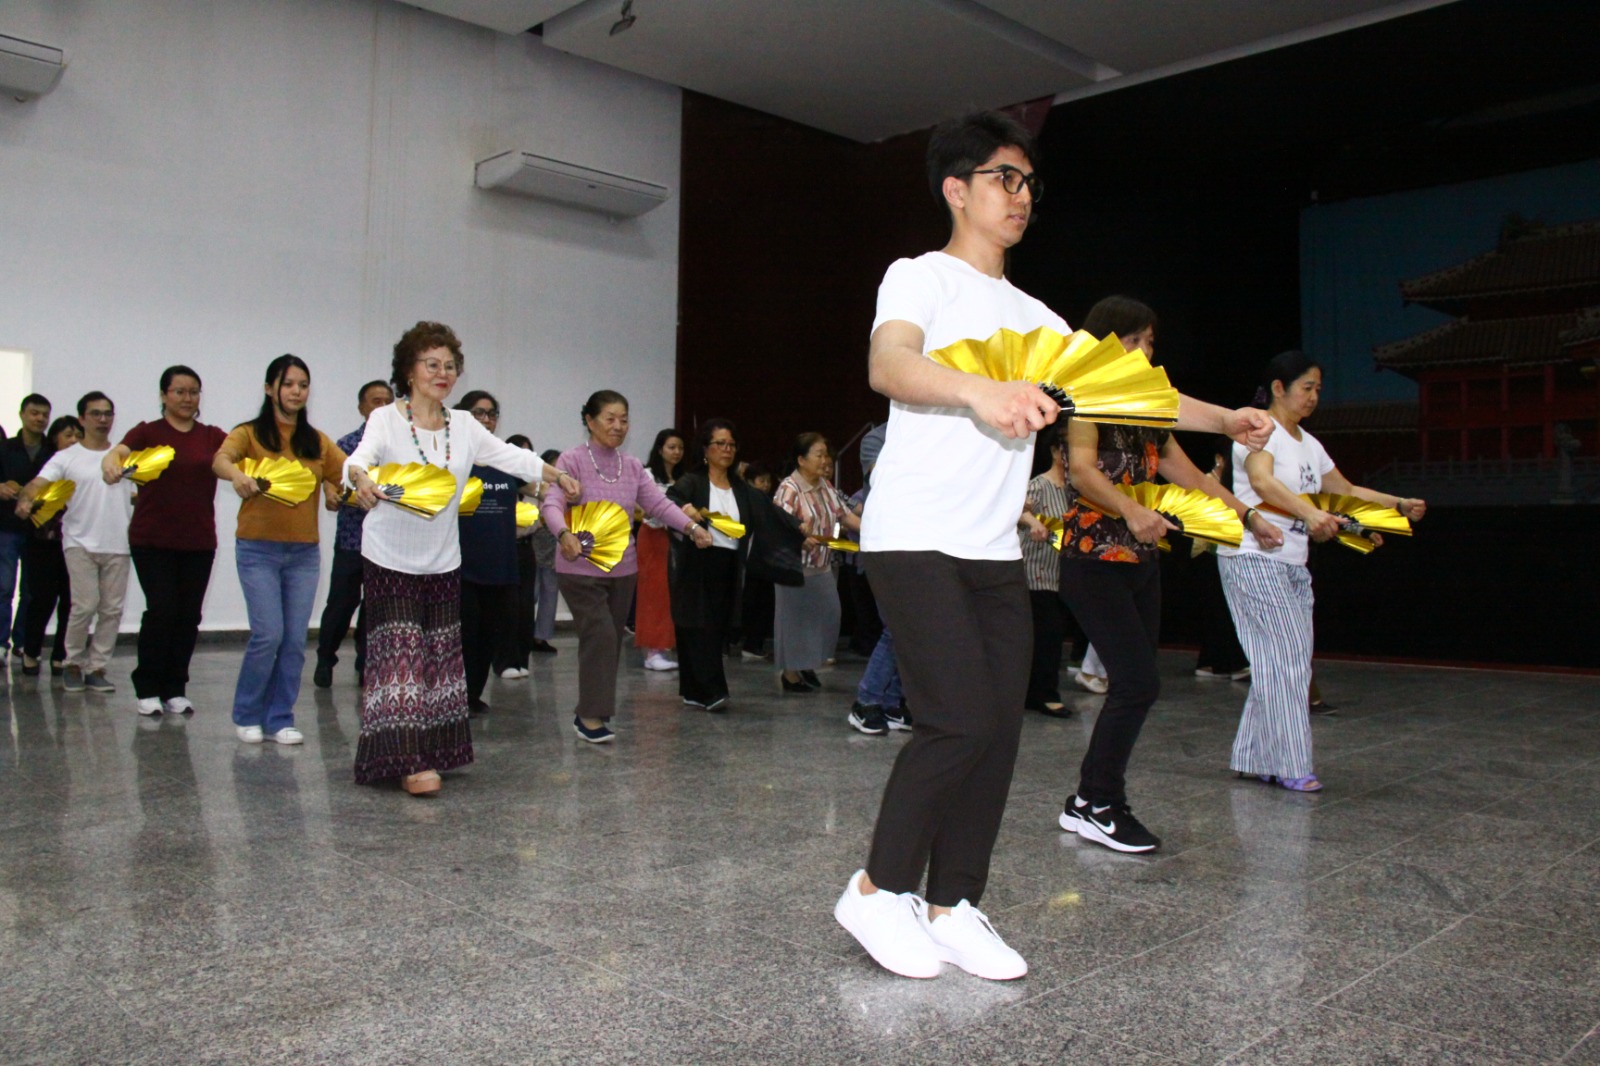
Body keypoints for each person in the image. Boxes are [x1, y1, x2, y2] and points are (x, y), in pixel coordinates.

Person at [834, 115, 1273, 984]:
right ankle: (877, 890)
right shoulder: (919, 277)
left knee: (997, 730)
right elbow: (890, 367)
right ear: (956, 189)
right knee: (956, 718)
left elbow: (1133, 392)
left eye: (1029, 183)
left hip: (992, 552)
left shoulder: (1034, 317)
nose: (1021, 196)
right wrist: (979, 392)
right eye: (1004, 178)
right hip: (914, 536)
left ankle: (952, 904)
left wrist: (1226, 418)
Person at [1057, 296, 1282, 855]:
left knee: (1137, 683)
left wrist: (1247, 515)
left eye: (1152, 342)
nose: (1148, 351)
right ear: (1112, 340)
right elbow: (1082, 470)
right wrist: (1132, 510)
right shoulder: (1085, 395)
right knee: (1137, 683)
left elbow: (1193, 479)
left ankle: (1089, 800)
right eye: (1139, 340)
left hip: (1141, 563)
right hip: (1093, 559)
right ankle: (1099, 802)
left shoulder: (1150, 411)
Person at [345, 322, 572, 793]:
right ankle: (408, 762)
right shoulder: (386, 419)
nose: (442, 373)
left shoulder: (464, 426)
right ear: (409, 371)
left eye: (450, 366)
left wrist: (556, 474)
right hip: (389, 557)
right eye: (432, 364)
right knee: (400, 658)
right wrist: (360, 480)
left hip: (443, 560)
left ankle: (422, 750)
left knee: (437, 659)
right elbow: (358, 461)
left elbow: (511, 458)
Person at [1219, 350, 1426, 791]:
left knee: (1283, 659)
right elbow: (1261, 482)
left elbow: (1345, 490)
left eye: (1318, 390)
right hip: (1253, 555)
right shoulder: (1258, 430)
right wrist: (1309, 515)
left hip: (1293, 560)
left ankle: (1252, 756)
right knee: (1287, 660)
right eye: (1306, 388)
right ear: (1279, 388)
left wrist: (1396, 505)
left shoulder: (1309, 444)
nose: (1314, 397)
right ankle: (1291, 764)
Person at [541, 391, 713, 744]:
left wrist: (693, 528)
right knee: (600, 635)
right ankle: (589, 715)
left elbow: (659, 505)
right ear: (589, 420)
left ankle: (593, 709)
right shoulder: (571, 461)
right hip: (579, 567)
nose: (618, 426)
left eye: (624, 419)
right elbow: (551, 504)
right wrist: (562, 534)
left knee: (610, 640)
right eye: (610, 418)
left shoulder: (632, 466)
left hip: (623, 568)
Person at [213, 355, 347, 745]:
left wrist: (333, 489)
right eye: (288, 384)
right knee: (268, 634)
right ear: (270, 388)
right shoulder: (250, 433)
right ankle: (247, 714)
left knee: (293, 639)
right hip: (258, 550)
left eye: (302, 385)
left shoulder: (316, 440)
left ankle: (280, 717)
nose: (296, 391)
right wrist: (237, 475)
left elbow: (343, 472)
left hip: (304, 554)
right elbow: (221, 459)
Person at [98, 367, 228, 716]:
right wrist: (111, 463)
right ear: (163, 395)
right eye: (179, 391)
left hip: (199, 540)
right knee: (162, 610)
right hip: (152, 539)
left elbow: (239, 456)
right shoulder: (147, 431)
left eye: (194, 392)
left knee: (188, 616)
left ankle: (175, 688)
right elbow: (117, 453)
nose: (187, 399)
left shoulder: (212, 436)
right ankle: (148, 687)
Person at [666, 419, 798, 711]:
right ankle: (711, 691)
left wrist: (801, 531)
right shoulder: (693, 480)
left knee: (716, 627)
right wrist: (688, 511)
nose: (727, 449)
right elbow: (670, 500)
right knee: (698, 625)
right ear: (705, 448)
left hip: (728, 563)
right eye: (720, 444)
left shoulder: (741, 488)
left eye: (731, 444)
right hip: (696, 561)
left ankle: (694, 690)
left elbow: (770, 515)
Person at [16, 392, 134, 694]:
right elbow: (37, 484)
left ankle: (97, 667)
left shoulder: (126, 457)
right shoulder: (67, 456)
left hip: (118, 543)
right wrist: (26, 499)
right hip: (79, 542)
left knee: (111, 610)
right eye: (95, 413)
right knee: (84, 605)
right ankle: (72, 662)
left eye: (108, 413)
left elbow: (140, 494)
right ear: (82, 419)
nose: (103, 419)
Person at [314, 379, 394, 689]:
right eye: (375, 401)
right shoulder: (346, 445)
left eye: (387, 401)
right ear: (361, 407)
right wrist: (328, 491)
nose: (381, 407)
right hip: (352, 539)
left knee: (375, 607)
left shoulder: (399, 448)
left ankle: (367, 664)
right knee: (341, 604)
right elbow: (329, 479)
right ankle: (325, 658)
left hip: (387, 544)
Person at [454, 389, 529, 715]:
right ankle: (453, 698)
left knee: (488, 635)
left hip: (501, 563)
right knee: (464, 634)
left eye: (491, 413)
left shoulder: (505, 458)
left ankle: (472, 695)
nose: (486, 419)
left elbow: (538, 484)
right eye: (478, 413)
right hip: (462, 564)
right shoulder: (455, 458)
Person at [772, 433, 859, 692]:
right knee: (794, 621)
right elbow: (778, 527)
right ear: (801, 459)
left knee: (828, 615)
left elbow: (844, 516)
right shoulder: (789, 488)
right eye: (818, 454)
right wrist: (800, 539)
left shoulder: (826, 485)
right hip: (793, 567)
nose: (825, 460)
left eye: (826, 454)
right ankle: (790, 674)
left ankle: (806, 664)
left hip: (821, 565)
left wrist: (872, 532)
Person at [848, 424, 911, 736]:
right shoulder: (876, 438)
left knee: (909, 627)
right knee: (896, 626)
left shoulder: (930, 435)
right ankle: (866, 701)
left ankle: (890, 703)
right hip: (885, 542)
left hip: (917, 542)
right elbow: (883, 478)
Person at [1018, 423, 1071, 716]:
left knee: (1049, 635)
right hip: (1034, 570)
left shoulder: (1075, 489)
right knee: (1046, 634)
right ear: (1053, 451)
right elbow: (1016, 507)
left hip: (1060, 573)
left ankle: (1034, 692)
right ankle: (1045, 694)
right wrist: (1033, 522)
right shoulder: (1039, 484)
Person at [19, 416, 78, 675]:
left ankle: (60, 655)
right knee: (41, 599)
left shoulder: (85, 465)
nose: (74, 440)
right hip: (43, 542)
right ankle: (31, 651)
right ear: (55, 439)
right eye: (68, 435)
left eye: (78, 435)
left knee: (71, 600)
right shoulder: (46, 466)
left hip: (75, 543)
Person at [495, 436, 558, 677]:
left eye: (528, 454)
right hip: (502, 546)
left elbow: (543, 501)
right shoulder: (499, 477)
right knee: (507, 606)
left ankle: (521, 659)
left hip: (526, 546)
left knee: (524, 607)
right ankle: (505, 661)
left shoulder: (531, 483)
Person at [0, 394, 53, 664]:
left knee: (32, 592)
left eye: (44, 414)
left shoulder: (53, 453)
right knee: (3, 587)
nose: (39, 419)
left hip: (39, 532)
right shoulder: (5, 448)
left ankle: (23, 642)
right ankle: (0, 642)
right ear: (22, 414)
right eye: (34, 413)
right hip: (6, 527)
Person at [1191, 450, 1251, 681]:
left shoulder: (1230, 484)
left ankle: (1209, 663)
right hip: (1208, 552)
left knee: (1219, 610)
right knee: (1219, 610)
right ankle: (1230, 664)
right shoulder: (1206, 482)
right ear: (1219, 458)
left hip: (1222, 551)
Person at [637, 428, 686, 672]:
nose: (676, 452)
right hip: (654, 537)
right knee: (655, 593)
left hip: (678, 539)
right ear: (659, 449)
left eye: (680, 448)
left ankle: (667, 646)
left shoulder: (684, 478)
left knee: (675, 594)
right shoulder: (646, 475)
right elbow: (645, 509)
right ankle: (652, 650)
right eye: (671, 447)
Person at [736, 461, 776, 660]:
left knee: (762, 603)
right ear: (750, 482)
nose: (766, 485)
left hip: (765, 560)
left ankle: (754, 644)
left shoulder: (769, 502)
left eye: (768, 481)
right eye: (762, 481)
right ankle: (746, 644)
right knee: (750, 602)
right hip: (750, 560)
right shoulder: (744, 501)